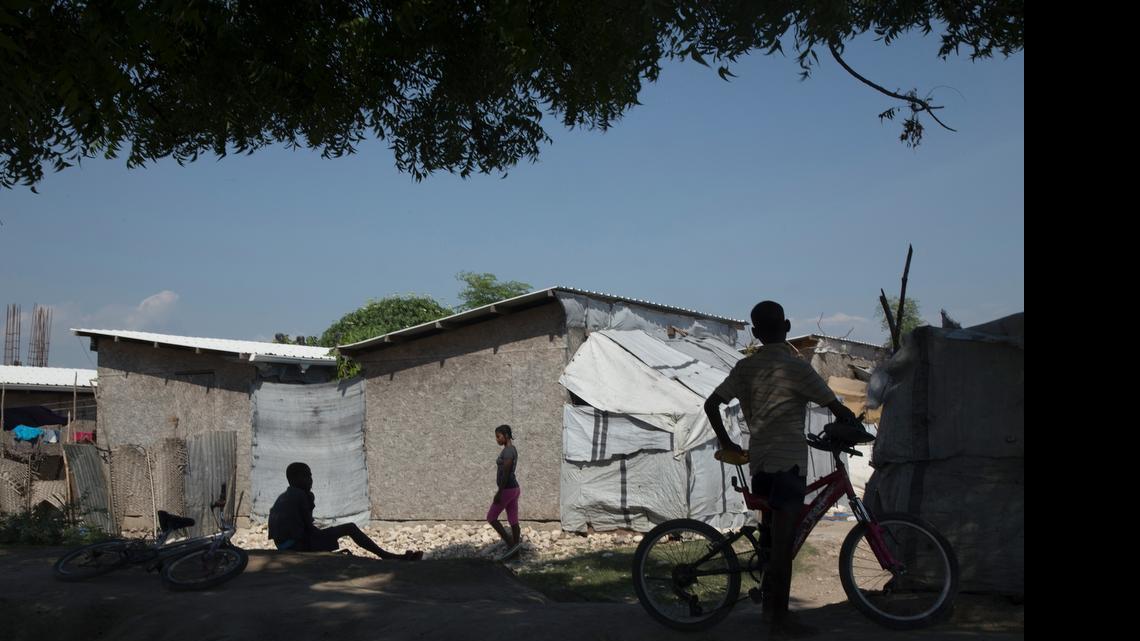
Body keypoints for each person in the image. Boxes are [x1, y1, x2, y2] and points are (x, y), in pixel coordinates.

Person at [705, 301, 859, 636]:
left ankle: (768, 612)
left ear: (756, 333)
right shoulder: (797, 368)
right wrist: (853, 424)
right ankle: (779, 619)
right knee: (783, 549)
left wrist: (727, 443)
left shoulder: (746, 368)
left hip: (760, 464)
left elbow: (711, 403)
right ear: (787, 327)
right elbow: (837, 408)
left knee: (773, 541)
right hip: (789, 465)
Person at [268, 462, 422, 560]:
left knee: (332, 533)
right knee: (350, 528)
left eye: (310, 476)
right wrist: (326, 539)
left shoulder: (287, 495)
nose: (310, 480)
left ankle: (387, 555)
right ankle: (386, 556)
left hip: (283, 545)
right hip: (296, 547)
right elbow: (310, 529)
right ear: (294, 479)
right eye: (306, 476)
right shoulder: (302, 496)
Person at [486, 424, 522, 561]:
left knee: (491, 517)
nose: (497, 439)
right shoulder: (511, 449)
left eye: (498, 436)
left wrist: (499, 492)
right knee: (513, 520)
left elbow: (506, 473)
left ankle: (512, 546)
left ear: (506, 436)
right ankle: (516, 554)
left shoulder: (508, 451)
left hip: (507, 490)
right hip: (514, 489)